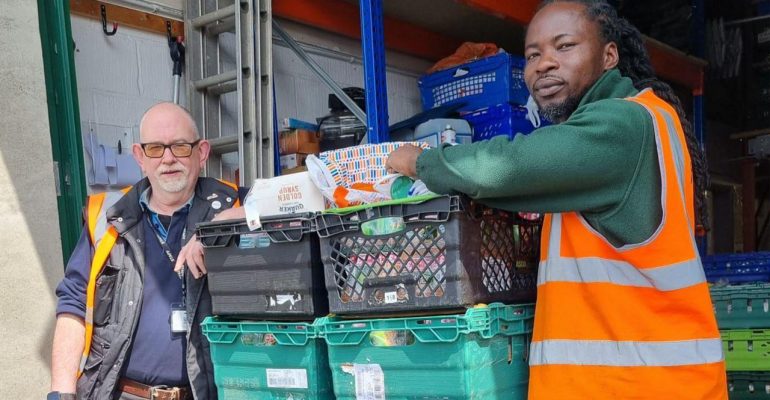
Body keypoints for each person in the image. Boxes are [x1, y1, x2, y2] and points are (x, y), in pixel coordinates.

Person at [386, 1, 727, 399]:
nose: (544, 64)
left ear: (609, 56)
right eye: (533, 54)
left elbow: (508, 166)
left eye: (564, 47)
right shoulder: (650, 116)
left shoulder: (621, 124)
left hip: (638, 386)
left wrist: (421, 162)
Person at [50, 102, 244, 400]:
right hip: (122, 393)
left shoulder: (233, 203)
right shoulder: (106, 217)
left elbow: (304, 197)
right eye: (155, 148)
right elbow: (73, 305)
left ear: (202, 152)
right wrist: (60, 393)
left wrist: (218, 228)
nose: (167, 159)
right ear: (140, 156)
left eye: (180, 146)